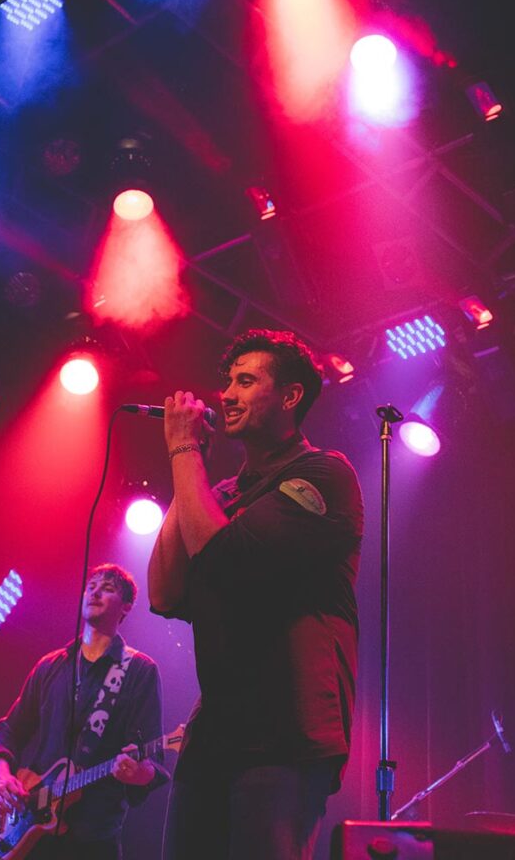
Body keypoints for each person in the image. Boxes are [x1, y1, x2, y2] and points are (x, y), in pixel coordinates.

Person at [148, 328, 364, 860]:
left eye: (246, 381)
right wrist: (190, 460)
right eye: (227, 381)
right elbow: (163, 592)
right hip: (214, 733)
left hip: (285, 731)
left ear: (289, 396)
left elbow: (230, 563)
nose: (226, 394)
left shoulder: (323, 473)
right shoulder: (218, 496)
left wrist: (181, 449)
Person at [0, 563, 168, 860]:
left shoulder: (139, 671)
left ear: (126, 607)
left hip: (91, 840)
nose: (95, 592)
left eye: (108, 589)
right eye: (92, 586)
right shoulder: (50, 665)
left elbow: (154, 766)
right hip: (26, 828)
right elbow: (8, 732)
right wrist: (1, 776)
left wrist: (137, 773)